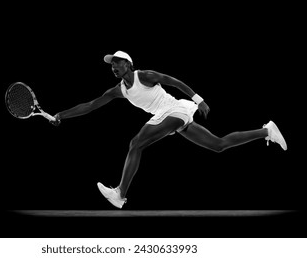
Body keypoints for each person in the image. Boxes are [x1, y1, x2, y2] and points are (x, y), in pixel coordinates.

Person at [50, 51, 287, 209]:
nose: (113, 66)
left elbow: (173, 81)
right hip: (171, 116)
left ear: (128, 64)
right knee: (218, 145)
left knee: (135, 143)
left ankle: (120, 194)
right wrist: (61, 115)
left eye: (117, 62)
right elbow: (90, 105)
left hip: (174, 109)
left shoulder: (145, 75)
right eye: (111, 64)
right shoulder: (119, 90)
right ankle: (266, 131)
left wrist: (199, 98)